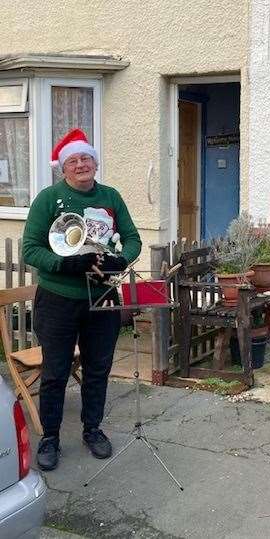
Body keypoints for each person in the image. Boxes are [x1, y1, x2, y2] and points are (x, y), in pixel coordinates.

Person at [23, 129, 142, 471]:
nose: (80, 165)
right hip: (59, 298)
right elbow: (30, 248)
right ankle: (50, 438)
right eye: (73, 160)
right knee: (55, 372)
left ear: (95, 162)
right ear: (64, 168)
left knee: (98, 369)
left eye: (85, 158)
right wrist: (62, 263)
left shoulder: (111, 196)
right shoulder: (48, 199)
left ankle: (92, 430)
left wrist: (123, 259)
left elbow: (132, 239)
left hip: (103, 294)